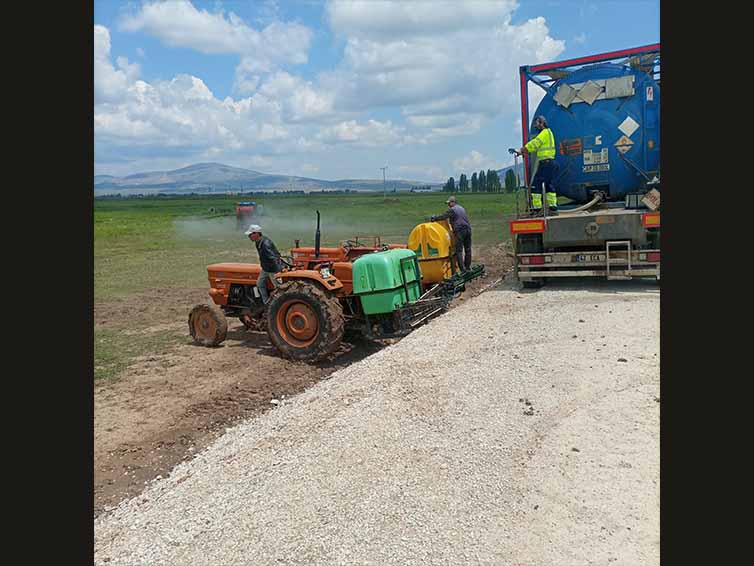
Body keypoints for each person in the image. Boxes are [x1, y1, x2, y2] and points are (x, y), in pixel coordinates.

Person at [515, 115, 559, 214]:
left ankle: (537, 209)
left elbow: (535, 143)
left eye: (537, 123)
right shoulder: (549, 132)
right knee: (549, 186)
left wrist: (522, 150)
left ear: (542, 123)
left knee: (535, 185)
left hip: (545, 163)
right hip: (551, 163)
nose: (535, 125)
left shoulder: (544, 133)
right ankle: (553, 208)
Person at [430, 196, 472, 272]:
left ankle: (462, 269)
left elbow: (444, 216)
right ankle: (468, 267)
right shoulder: (461, 208)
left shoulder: (452, 210)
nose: (448, 205)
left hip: (460, 230)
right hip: (468, 229)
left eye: (449, 203)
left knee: (458, 250)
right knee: (468, 249)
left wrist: (434, 218)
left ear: (453, 202)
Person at [245, 224, 283, 304]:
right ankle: (266, 303)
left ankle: (278, 304)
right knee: (259, 283)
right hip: (266, 268)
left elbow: (273, 258)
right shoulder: (258, 242)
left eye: (250, 234)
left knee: (279, 288)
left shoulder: (265, 244)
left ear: (256, 233)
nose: (249, 237)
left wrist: (278, 272)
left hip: (272, 269)